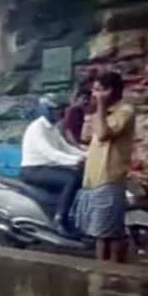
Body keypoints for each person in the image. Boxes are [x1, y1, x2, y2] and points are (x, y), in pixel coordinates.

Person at [78, 70, 135, 263]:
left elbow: (103, 134)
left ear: (111, 91)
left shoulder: (125, 112)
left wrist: (100, 107)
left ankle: (109, 275)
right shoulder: (100, 113)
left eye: (98, 90)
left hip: (109, 179)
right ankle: (103, 275)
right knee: (101, 233)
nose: (94, 95)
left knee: (108, 234)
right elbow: (87, 138)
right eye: (93, 90)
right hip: (94, 179)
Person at [20, 94, 86, 234]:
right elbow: (50, 153)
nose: (62, 112)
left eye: (63, 109)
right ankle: (60, 218)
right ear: (47, 110)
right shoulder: (37, 128)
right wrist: (76, 161)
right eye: (58, 109)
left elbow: (66, 148)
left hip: (47, 167)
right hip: (33, 170)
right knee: (71, 178)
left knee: (81, 176)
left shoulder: (53, 128)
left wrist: (88, 155)